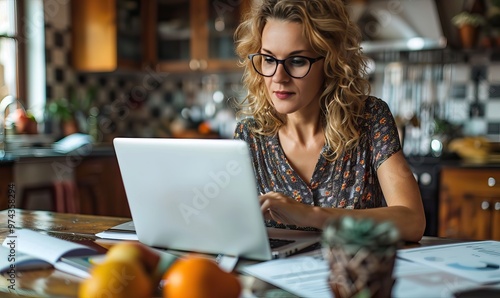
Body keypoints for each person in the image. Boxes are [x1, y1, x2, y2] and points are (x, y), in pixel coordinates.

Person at [232, 0, 425, 242]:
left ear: (331, 62)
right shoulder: (250, 134)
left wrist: (311, 215)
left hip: (355, 275)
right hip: (274, 278)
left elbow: (412, 221)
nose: (278, 77)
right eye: (269, 59)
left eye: (297, 60)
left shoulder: (370, 119)